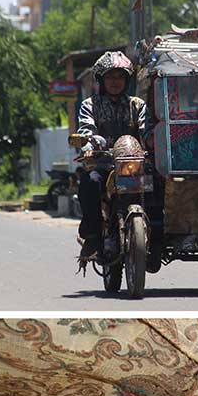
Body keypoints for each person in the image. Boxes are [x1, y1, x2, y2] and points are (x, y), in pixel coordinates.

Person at [74, 51, 147, 259]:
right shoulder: (90, 105)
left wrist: (152, 142)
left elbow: (146, 131)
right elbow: (86, 130)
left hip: (136, 165)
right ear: (101, 80)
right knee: (88, 183)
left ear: (127, 80)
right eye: (110, 77)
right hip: (103, 164)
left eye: (120, 77)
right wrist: (90, 143)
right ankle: (93, 237)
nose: (115, 82)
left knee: (160, 186)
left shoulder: (137, 105)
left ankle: (158, 235)